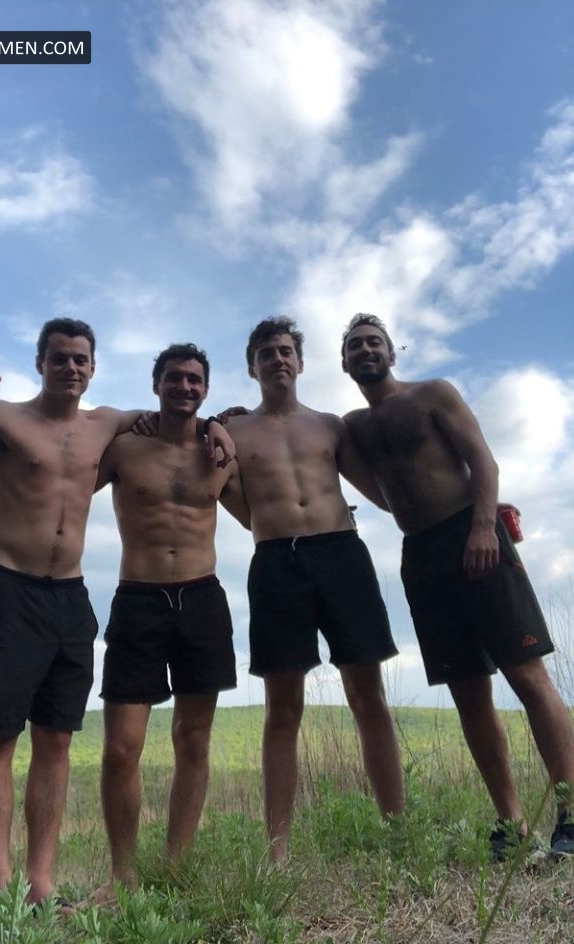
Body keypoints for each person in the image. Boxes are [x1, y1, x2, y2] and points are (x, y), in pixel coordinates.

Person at [0, 319, 234, 907]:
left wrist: (219, 422)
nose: (70, 368)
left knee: (56, 740)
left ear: (93, 368)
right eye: (59, 358)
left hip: (70, 597)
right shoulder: (5, 417)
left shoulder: (108, 425)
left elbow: (184, 415)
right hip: (9, 587)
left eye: (80, 360)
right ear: (40, 362)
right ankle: (0, 888)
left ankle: (40, 885)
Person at [341, 312, 574, 859]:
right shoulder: (354, 426)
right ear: (344, 363)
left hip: (475, 535)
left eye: (374, 342)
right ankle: (511, 824)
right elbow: (377, 491)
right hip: (421, 555)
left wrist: (483, 526)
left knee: (526, 673)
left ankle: (570, 811)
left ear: (391, 353)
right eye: (354, 346)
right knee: (468, 689)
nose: (365, 350)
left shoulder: (432, 394)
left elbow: (482, 460)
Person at [222, 317, 404, 862]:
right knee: (283, 708)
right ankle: (277, 851)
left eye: (285, 351)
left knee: (368, 696)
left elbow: (383, 492)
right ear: (252, 368)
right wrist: (269, 527)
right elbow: (227, 496)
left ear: (300, 363)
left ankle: (397, 833)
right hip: (277, 561)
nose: (277, 359)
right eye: (266, 353)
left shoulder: (331, 426)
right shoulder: (233, 432)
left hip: (341, 554)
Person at [89, 343, 249, 904]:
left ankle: (176, 870)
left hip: (202, 599)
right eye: (175, 378)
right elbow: (62, 491)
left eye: (194, 380)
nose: (185, 387)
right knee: (121, 747)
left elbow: (261, 514)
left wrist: (223, 423)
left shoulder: (219, 454)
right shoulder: (124, 448)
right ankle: (123, 876)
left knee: (193, 739)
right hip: (139, 600)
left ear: (205, 389)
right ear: (156, 383)